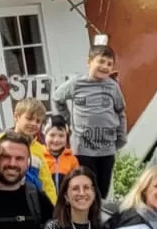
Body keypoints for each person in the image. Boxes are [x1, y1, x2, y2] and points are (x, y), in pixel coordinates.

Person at [53, 45, 128, 193]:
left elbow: (120, 112)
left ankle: (101, 209)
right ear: (89, 62)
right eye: (101, 61)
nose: (105, 67)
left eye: (109, 64)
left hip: (107, 149)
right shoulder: (76, 83)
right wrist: (68, 120)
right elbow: (57, 98)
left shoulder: (113, 86)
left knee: (103, 191)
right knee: (87, 187)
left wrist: (121, 136)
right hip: (83, 148)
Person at [9, 97, 59, 205]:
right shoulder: (3, 142)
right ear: (16, 116)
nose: (34, 124)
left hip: (33, 203)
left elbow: (46, 181)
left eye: (38, 121)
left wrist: (53, 206)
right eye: (29, 119)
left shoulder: (39, 148)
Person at [38, 113, 82, 185]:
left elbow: (76, 182)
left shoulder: (72, 160)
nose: (56, 140)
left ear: (66, 137)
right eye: (52, 135)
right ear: (45, 135)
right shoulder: (39, 157)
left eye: (61, 135)